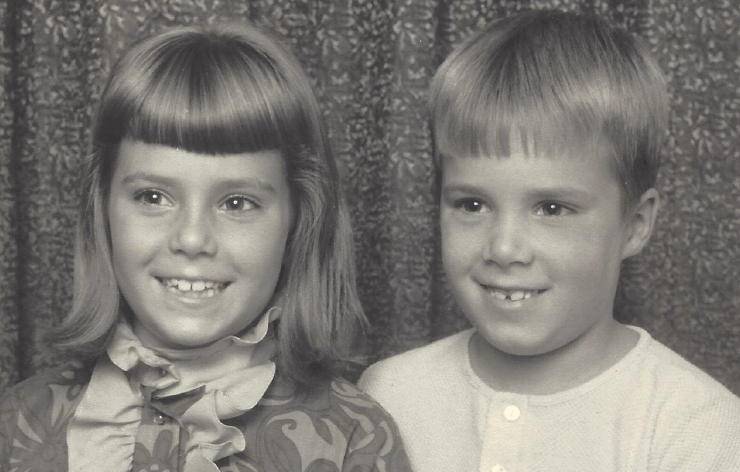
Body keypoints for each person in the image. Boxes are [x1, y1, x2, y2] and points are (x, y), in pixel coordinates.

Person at [0, 23, 411, 472]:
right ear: (102, 211)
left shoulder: (357, 438)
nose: (192, 239)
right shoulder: (19, 422)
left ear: (298, 224)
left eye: (237, 203)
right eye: (152, 197)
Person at [359, 9, 740, 472]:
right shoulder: (384, 396)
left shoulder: (696, 431)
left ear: (635, 224)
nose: (503, 249)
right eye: (472, 205)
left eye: (552, 209)